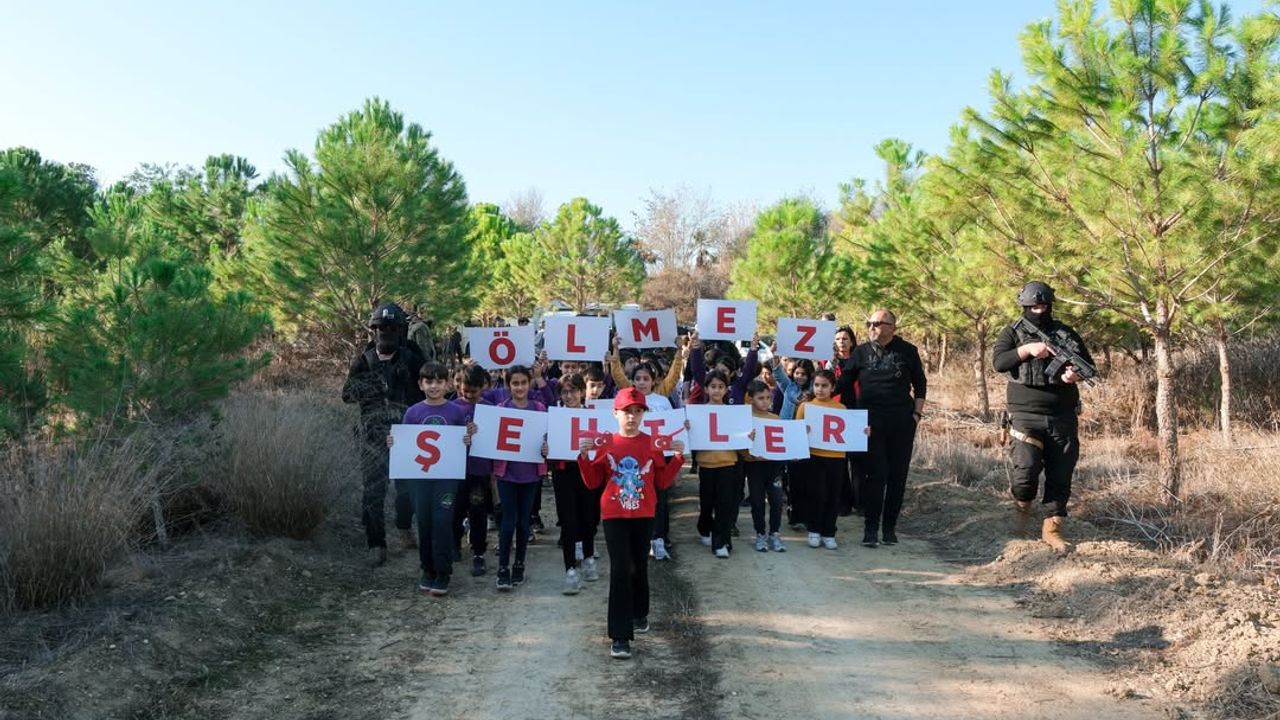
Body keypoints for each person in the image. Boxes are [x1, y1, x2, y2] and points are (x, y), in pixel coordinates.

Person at [577, 387, 685, 659]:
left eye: (638, 412)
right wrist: (583, 457)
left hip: (644, 513)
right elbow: (591, 482)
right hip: (614, 515)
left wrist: (679, 459)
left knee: (639, 566)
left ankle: (640, 612)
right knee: (620, 570)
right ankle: (620, 636)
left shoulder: (652, 443)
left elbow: (661, 483)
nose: (632, 417)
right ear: (615, 413)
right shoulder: (606, 443)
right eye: (627, 411)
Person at [991, 281, 1092, 553]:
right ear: (1024, 306)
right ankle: (1021, 511)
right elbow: (999, 362)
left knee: (1061, 472)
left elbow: (1087, 365)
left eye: (1044, 306)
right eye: (1033, 306)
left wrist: (1074, 375)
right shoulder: (1012, 333)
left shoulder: (1065, 334)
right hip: (1025, 414)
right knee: (1025, 472)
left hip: (1062, 414)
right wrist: (1027, 350)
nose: (1039, 310)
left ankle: (1052, 528)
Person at [342, 303, 425, 567]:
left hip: (407, 435)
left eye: (390, 328)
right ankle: (376, 543)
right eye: (379, 328)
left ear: (399, 330)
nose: (384, 333)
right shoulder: (365, 360)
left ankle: (403, 526)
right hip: (374, 436)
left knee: (407, 491)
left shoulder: (412, 357)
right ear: (373, 330)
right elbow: (347, 394)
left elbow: (432, 388)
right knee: (373, 492)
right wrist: (372, 385)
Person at [836, 309, 926, 548]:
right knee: (876, 474)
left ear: (891, 327)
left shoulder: (908, 351)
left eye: (877, 323)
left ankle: (889, 528)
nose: (872, 327)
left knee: (898, 476)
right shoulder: (861, 352)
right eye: (869, 323)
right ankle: (870, 528)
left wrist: (916, 415)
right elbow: (843, 382)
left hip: (901, 421)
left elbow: (920, 384)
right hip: (870, 423)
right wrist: (813, 395)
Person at [389, 362, 474, 596]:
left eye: (439, 381)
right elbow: (406, 445)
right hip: (420, 479)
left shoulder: (456, 412)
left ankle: (443, 571)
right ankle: (427, 569)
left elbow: (462, 445)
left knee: (442, 522)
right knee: (424, 522)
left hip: (447, 478)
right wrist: (394, 444)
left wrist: (467, 441)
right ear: (420, 384)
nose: (434, 386)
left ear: (447, 384)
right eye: (429, 381)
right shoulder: (413, 412)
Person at [490, 365, 547, 590]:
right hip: (507, 473)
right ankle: (502, 567)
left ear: (530, 383)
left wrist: (546, 447)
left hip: (531, 473)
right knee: (508, 522)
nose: (520, 387)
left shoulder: (540, 409)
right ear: (508, 385)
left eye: (524, 382)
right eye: (515, 383)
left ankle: (519, 565)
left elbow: (548, 437)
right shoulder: (500, 409)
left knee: (524, 523)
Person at [551, 373, 603, 594]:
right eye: (564, 391)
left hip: (588, 471)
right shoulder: (554, 416)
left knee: (589, 517)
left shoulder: (594, 416)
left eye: (573, 390)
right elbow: (546, 444)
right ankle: (570, 570)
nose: (569, 395)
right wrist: (546, 449)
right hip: (564, 473)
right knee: (569, 520)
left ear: (582, 392)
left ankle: (589, 558)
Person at [450, 363, 495, 577]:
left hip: (480, 469)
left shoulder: (490, 409)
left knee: (478, 511)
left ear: (482, 388)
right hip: (456, 469)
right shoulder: (452, 407)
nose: (468, 395)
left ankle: (478, 552)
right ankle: (455, 543)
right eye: (465, 390)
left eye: (473, 391)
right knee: (455, 509)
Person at [796, 369, 848, 549]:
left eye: (824, 386)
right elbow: (797, 432)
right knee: (817, 494)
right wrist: (803, 431)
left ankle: (829, 532)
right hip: (814, 457)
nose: (820, 389)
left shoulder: (841, 409)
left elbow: (850, 433)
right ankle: (814, 530)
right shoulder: (805, 406)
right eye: (816, 385)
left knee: (833, 496)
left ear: (833, 387)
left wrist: (863, 432)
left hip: (836, 458)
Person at [693, 371, 743, 558]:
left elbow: (741, 435)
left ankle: (721, 542)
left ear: (726, 389)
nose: (716, 390)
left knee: (724, 504)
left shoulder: (733, 411)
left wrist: (748, 435)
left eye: (720, 387)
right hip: (706, 464)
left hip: (728, 462)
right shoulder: (697, 411)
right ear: (706, 389)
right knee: (707, 503)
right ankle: (704, 527)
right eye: (713, 386)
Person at [744, 380, 787, 552]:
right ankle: (760, 533)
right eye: (760, 398)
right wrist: (750, 453)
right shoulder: (746, 418)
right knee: (757, 501)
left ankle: (775, 533)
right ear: (751, 399)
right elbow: (739, 446)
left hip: (774, 466)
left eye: (768, 398)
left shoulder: (775, 418)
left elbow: (784, 441)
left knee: (776, 501)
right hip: (754, 467)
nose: (765, 401)